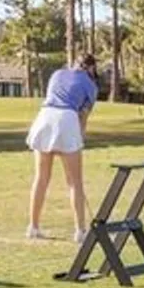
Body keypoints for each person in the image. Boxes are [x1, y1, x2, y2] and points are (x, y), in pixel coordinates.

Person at [25, 53, 98, 241]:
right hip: (67, 118)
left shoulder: (57, 74)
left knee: (41, 177)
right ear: (91, 68)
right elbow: (83, 117)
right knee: (74, 181)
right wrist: (79, 138)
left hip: (45, 117)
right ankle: (80, 231)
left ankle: (33, 227)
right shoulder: (91, 85)